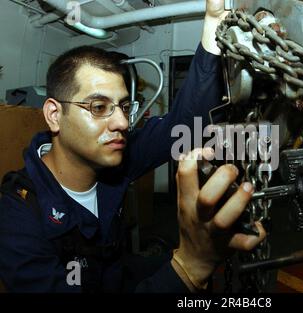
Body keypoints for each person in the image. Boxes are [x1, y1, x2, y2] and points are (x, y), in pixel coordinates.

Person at [0, 0, 266, 293]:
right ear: (54, 116)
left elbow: (186, 127)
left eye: (124, 107)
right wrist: (188, 268)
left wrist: (213, 25)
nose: (123, 123)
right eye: (99, 106)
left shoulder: (115, 157)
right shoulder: (16, 214)